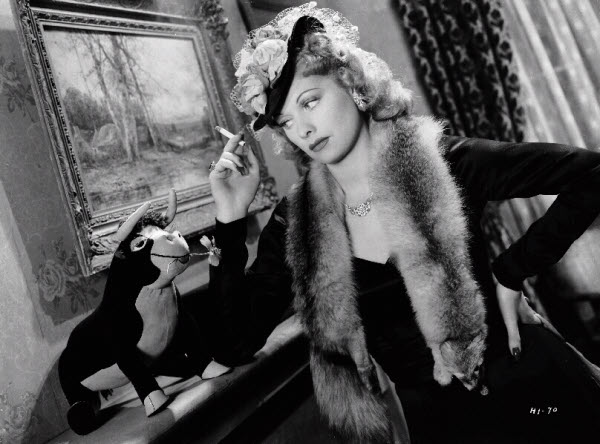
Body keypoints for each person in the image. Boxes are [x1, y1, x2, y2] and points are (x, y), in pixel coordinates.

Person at [203, 3, 600, 443]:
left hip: (538, 396)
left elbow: (591, 173)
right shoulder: (295, 225)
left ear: (350, 83)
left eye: (310, 101)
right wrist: (230, 218)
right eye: (287, 122)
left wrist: (511, 270)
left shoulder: (442, 161)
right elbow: (234, 343)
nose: (304, 130)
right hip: (441, 428)